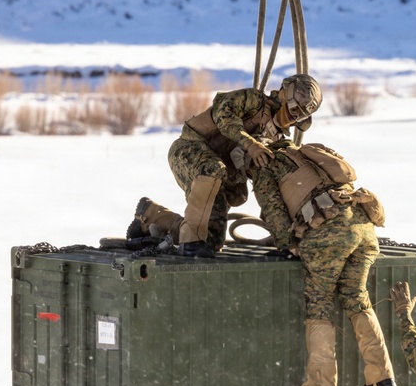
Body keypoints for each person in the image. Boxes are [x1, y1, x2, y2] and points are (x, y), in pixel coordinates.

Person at [251, 139, 396, 386]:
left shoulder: (264, 165)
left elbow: (274, 210)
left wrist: (289, 244)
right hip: (363, 228)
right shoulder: (307, 153)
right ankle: (381, 377)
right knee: (356, 297)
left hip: (327, 233)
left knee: (319, 303)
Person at [128, 74, 322, 257]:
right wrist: (250, 144)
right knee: (213, 170)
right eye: (294, 109)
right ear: (283, 94)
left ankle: (152, 216)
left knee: (211, 240)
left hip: (217, 176)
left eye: (301, 117)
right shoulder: (252, 100)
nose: (294, 117)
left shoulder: (276, 138)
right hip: (190, 150)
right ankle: (189, 243)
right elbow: (224, 116)